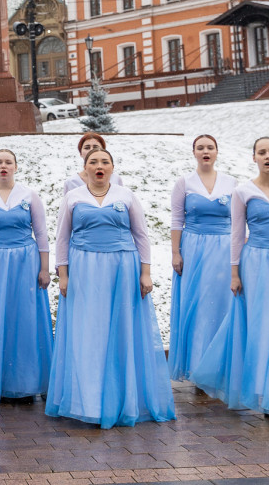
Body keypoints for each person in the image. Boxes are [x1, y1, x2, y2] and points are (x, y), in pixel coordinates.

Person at [48, 150, 174, 428]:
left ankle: (125, 399)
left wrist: (146, 272)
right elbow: (62, 238)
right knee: (89, 332)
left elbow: (141, 235)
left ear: (113, 167)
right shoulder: (73, 197)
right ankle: (89, 401)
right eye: (93, 162)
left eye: (104, 162)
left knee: (121, 331)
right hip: (84, 269)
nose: (99, 166)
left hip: (122, 269)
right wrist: (64, 275)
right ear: (85, 168)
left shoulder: (126, 195)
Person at [192, 137, 269, 418]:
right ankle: (265, 393)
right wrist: (235, 273)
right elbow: (236, 235)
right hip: (257, 263)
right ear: (254, 158)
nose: (267, 156)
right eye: (262, 152)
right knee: (263, 326)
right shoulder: (243, 191)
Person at [0, 149, 52, 403]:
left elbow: (41, 233)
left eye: (8, 162)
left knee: (25, 319)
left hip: (26, 262)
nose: (3, 166)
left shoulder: (29, 195)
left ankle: (26, 383)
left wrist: (45, 267)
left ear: (16, 166)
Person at [168, 134, 238, 382]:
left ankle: (221, 365)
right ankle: (197, 366)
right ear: (194, 152)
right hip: (194, 248)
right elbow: (177, 220)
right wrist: (176, 252)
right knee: (197, 305)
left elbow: (239, 221)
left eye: (210, 147)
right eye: (200, 147)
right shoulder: (184, 183)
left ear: (217, 152)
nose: (205, 151)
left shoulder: (232, 183)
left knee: (223, 302)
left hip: (224, 248)